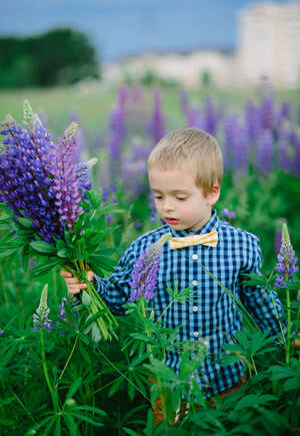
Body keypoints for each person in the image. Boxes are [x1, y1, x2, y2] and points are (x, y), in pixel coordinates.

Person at [60, 127, 289, 424]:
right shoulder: (144, 248)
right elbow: (118, 295)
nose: (166, 206)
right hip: (167, 382)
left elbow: (259, 298)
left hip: (227, 378)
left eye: (180, 197)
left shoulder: (242, 245)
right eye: (158, 196)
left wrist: (285, 335)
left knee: (228, 429)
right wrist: (89, 286)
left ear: (212, 193)